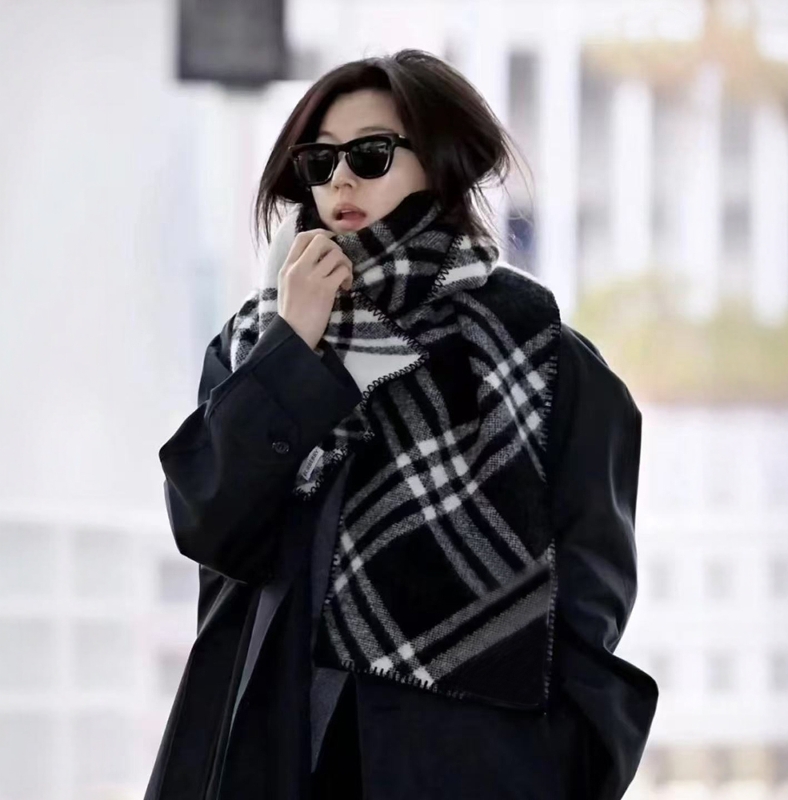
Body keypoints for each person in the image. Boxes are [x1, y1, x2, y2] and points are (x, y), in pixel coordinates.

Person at [144, 49, 658, 800]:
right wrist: (295, 350)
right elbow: (208, 520)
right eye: (320, 162)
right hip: (274, 748)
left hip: (469, 768)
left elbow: (590, 598)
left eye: (370, 154)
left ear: (441, 161)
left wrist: (558, 762)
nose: (341, 181)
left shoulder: (541, 354)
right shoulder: (257, 343)